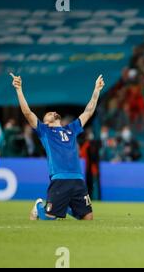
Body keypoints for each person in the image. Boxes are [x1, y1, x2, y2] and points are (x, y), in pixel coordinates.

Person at [10, 73, 105, 221]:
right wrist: (19, 89)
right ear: (46, 122)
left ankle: (65, 206)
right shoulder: (45, 131)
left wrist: (96, 91)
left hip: (78, 179)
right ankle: (39, 207)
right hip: (60, 180)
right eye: (49, 113)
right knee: (49, 218)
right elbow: (27, 113)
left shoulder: (71, 129)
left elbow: (88, 111)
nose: (53, 112)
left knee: (88, 218)